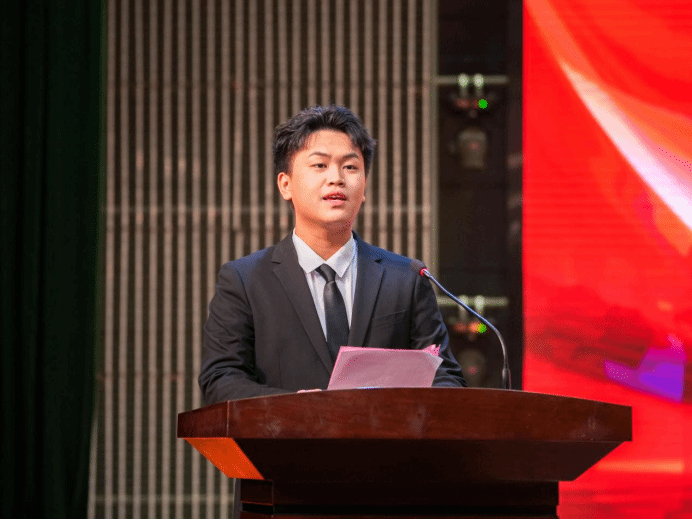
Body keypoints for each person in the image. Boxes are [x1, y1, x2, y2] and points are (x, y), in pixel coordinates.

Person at [199, 104, 466, 403]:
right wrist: (296, 407)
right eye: (320, 165)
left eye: (350, 167)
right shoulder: (244, 281)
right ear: (285, 185)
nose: (336, 178)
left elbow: (446, 377)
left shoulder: (406, 278)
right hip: (286, 433)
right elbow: (220, 380)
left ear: (364, 187)